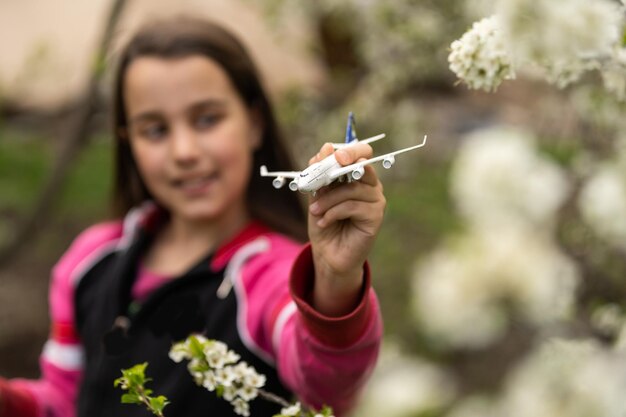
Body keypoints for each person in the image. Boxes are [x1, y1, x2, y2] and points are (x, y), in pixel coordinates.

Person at [0, 16, 384, 417]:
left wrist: (336, 282)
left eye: (207, 119)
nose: (184, 151)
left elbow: (326, 385)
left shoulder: (275, 277)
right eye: (155, 130)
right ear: (127, 141)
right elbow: (63, 404)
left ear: (254, 122)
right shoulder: (89, 261)